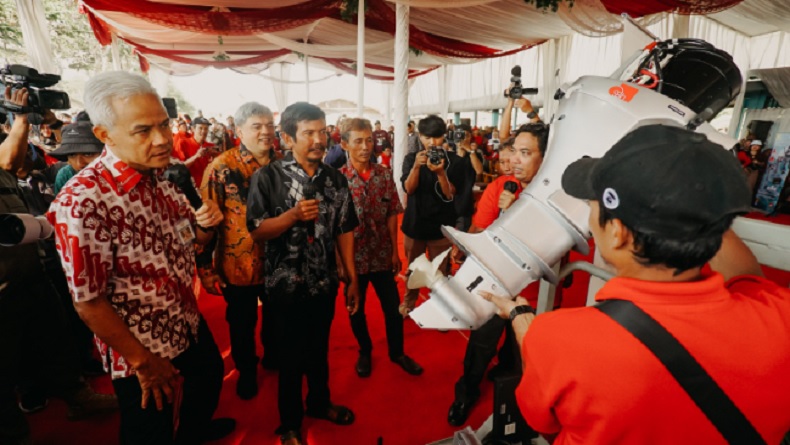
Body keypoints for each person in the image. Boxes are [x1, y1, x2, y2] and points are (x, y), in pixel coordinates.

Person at [482, 124, 790, 444]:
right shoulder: (779, 318)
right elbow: (746, 273)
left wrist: (523, 324)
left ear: (618, 233)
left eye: (591, 206)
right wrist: (692, 198)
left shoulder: (556, 338)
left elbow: (541, 421)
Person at [47, 72, 235, 445]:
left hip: (186, 321)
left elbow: (192, 242)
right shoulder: (83, 202)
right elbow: (88, 301)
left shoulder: (163, 182)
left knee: (208, 377)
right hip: (140, 346)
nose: (163, 139)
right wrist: (144, 362)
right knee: (150, 429)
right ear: (105, 134)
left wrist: (207, 225)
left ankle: (193, 433)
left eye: (164, 125)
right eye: (143, 130)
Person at [1, 86, 117, 445]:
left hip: (31, 272)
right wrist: (22, 117)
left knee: (57, 340)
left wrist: (43, 120)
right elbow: (10, 160)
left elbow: (31, 160)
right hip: (2, 287)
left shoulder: (9, 159)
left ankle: (78, 396)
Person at [247, 102, 360, 445]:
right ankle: (290, 423)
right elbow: (257, 230)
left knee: (319, 350)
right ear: (287, 138)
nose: (318, 140)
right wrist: (292, 216)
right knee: (290, 358)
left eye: (322, 132)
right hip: (284, 287)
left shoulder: (335, 179)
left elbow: (344, 228)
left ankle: (320, 403)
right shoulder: (267, 177)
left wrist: (351, 277)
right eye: (308, 133)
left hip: (323, 282)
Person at [448, 123, 547, 427]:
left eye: (525, 153)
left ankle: (516, 389)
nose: (514, 159)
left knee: (523, 353)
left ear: (545, 157)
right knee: (481, 345)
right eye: (514, 151)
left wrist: (520, 213)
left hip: (533, 293)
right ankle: (466, 393)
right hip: (497, 283)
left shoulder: (555, 197)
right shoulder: (501, 187)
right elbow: (480, 230)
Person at [198, 102, 279, 400]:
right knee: (242, 324)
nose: (265, 131)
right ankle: (246, 370)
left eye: (269, 125)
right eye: (257, 126)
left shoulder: (283, 164)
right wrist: (204, 269)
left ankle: (273, 355)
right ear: (239, 131)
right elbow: (207, 222)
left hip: (279, 262)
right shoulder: (221, 168)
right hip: (238, 265)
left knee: (277, 317)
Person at [338, 118, 423, 379]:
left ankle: (397, 353)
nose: (366, 147)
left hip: (382, 255)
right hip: (353, 259)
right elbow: (333, 227)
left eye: (369, 140)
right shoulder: (337, 180)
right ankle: (365, 351)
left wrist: (395, 252)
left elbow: (391, 213)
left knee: (393, 308)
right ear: (345, 145)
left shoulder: (384, 174)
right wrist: (340, 263)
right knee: (356, 308)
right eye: (358, 141)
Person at [399, 115, 468, 316]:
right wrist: (416, 167)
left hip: (441, 226)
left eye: (436, 137)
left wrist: (440, 173)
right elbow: (409, 189)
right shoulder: (411, 159)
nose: (432, 142)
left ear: (444, 136)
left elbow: (449, 195)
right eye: (427, 137)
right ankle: (409, 302)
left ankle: (441, 306)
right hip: (415, 224)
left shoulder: (454, 162)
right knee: (413, 268)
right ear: (420, 136)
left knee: (441, 271)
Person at [50, 121, 104, 194]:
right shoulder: (65, 176)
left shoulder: (115, 173)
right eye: (72, 155)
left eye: (88, 154)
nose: (79, 164)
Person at [172, 116, 217, 187]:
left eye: (206, 128)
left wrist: (216, 156)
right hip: (192, 188)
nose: (203, 131)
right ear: (193, 129)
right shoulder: (183, 143)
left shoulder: (211, 146)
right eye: (200, 128)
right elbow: (178, 169)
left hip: (209, 187)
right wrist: (196, 156)